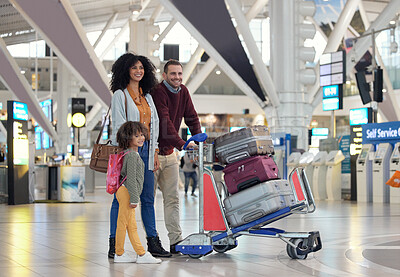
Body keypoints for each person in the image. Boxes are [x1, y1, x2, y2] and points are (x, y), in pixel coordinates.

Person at [109, 53, 171, 258]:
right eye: (134, 67)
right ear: (126, 70)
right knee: (121, 198)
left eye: (141, 68)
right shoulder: (120, 95)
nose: (138, 71)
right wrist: (129, 151)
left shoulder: (148, 97)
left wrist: (153, 150)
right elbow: (118, 126)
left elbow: (154, 126)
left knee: (147, 197)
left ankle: (153, 241)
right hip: (129, 152)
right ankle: (114, 243)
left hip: (147, 151)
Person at [152, 59, 202, 253]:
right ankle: (151, 241)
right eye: (173, 74)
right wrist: (183, 144)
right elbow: (165, 125)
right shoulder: (158, 92)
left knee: (173, 199)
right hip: (153, 153)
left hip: (170, 154)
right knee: (146, 200)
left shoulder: (184, 91)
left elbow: (191, 117)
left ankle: (175, 242)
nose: (177, 78)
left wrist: (198, 139)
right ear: (164, 76)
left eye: (180, 74)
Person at [114, 121, 161, 264]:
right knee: (123, 223)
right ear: (128, 138)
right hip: (127, 192)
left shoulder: (128, 153)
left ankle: (137, 253)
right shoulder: (133, 156)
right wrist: (134, 198)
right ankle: (122, 253)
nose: (141, 138)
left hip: (125, 192)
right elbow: (132, 180)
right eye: (137, 136)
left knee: (130, 225)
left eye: (142, 135)